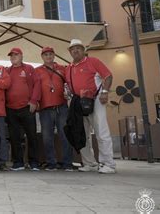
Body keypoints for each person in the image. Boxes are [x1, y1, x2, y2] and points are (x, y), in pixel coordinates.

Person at [65, 39, 116, 174]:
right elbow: (70, 87)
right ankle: (90, 163)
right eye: (73, 49)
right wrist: (68, 94)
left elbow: (108, 76)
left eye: (78, 48)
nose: (75, 51)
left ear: (83, 50)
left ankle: (108, 164)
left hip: (96, 99)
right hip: (78, 103)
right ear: (69, 52)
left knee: (101, 131)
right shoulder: (68, 68)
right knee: (81, 133)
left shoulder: (93, 61)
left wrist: (105, 92)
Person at [35, 47, 73, 171]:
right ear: (42, 57)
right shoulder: (37, 71)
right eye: (45, 55)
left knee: (65, 135)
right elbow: (34, 88)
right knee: (47, 137)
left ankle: (67, 163)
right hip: (45, 108)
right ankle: (51, 163)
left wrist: (69, 93)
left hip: (61, 106)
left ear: (54, 55)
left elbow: (69, 84)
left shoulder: (63, 68)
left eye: (50, 54)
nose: (48, 57)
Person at [5, 47, 41, 171]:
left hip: (27, 107)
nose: (13, 57)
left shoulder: (29, 68)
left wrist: (33, 101)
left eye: (15, 55)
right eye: (11, 55)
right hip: (10, 108)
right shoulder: (7, 71)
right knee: (14, 137)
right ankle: (18, 162)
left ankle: (34, 162)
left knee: (32, 135)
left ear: (21, 56)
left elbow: (37, 84)